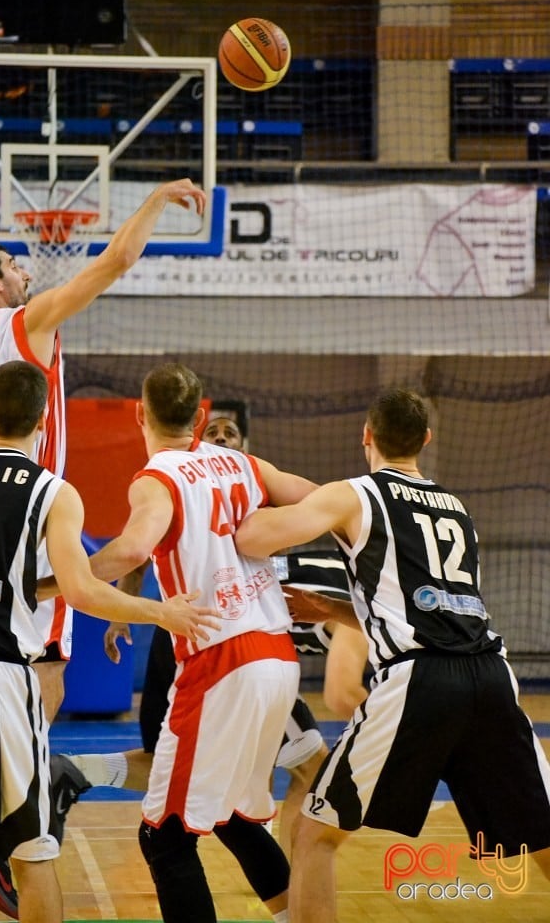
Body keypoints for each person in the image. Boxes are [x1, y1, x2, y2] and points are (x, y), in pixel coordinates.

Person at [0, 177, 206, 915]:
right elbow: (113, 263)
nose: (26, 270)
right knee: (40, 678)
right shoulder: (24, 324)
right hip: (26, 511)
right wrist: (155, 200)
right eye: (16, 264)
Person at [0, 361, 219, 923]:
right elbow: (82, 591)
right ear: (45, 418)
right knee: (33, 852)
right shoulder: (50, 491)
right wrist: (161, 612)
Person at [235, 386, 550, 923]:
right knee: (541, 834)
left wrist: (240, 483)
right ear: (425, 439)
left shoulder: (353, 494)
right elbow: (435, 613)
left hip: (418, 682)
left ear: (367, 436)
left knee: (313, 835)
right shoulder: (456, 507)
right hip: (493, 676)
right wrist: (335, 611)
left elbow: (253, 539)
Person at [83, 363, 319, 923]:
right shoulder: (244, 464)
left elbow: (134, 548)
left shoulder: (156, 477)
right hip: (278, 657)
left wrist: (57, 581)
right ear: (202, 416)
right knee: (234, 815)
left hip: (221, 657)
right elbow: (322, 500)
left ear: (140, 414)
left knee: (163, 837)